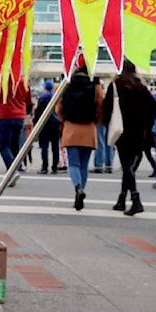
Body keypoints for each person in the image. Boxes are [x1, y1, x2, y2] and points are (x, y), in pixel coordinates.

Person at [103, 59, 156, 216]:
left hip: (121, 130)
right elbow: (154, 106)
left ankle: (135, 199)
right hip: (138, 131)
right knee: (128, 166)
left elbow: (107, 109)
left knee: (126, 165)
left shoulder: (116, 86)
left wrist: (108, 124)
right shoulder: (140, 87)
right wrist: (145, 123)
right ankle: (122, 199)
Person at [54, 63, 103, 210]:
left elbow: (59, 107)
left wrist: (64, 119)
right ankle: (82, 189)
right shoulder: (95, 86)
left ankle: (77, 187)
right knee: (84, 164)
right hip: (89, 128)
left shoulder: (66, 84)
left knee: (73, 164)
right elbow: (100, 105)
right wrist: (97, 121)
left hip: (71, 127)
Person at [0, 77, 32, 187]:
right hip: (19, 116)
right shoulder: (23, 81)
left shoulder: (1, 80)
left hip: (5, 114)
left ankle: (12, 171)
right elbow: (28, 100)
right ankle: (14, 169)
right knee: (14, 145)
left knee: (4, 146)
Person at [33, 80, 61, 174]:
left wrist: (36, 123)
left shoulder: (42, 98)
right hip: (55, 123)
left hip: (45, 124)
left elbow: (38, 112)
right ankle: (55, 167)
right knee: (55, 147)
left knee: (44, 146)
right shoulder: (56, 96)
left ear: (45, 87)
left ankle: (45, 167)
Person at [91, 76, 115, 174]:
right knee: (108, 142)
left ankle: (99, 164)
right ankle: (109, 164)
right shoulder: (106, 90)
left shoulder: (96, 90)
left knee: (100, 141)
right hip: (109, 118)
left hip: (100, 119)